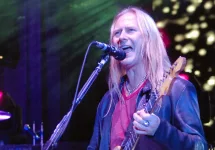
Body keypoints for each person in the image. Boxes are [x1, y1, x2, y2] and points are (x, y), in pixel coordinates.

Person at [87, 6, 207, 150]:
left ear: (148, 39)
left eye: (130, 30)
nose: (121, 37)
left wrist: (161, 130)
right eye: (117, 33)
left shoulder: (177, 89)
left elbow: (200, 146)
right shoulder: (108, 101)